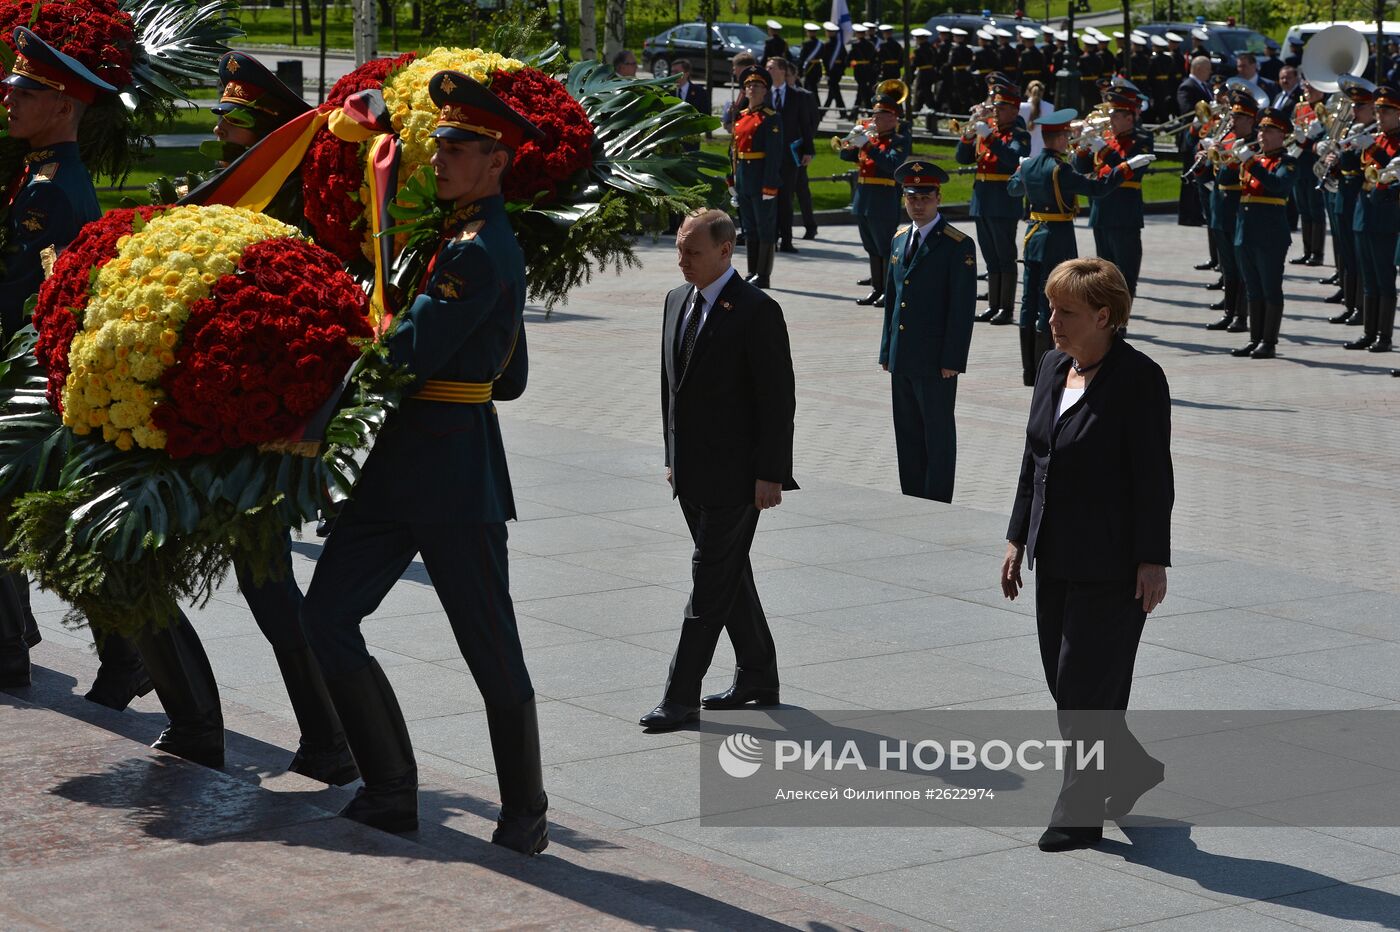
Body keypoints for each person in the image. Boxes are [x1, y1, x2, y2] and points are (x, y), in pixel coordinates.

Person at [299, 71, 548, 853]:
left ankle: (525, 812)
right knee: (325, 619)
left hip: (452, 478)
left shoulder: (479, 250)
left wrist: (320, 383)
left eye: (458, 147)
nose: (438, 159)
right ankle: (391, 787)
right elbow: (510, 374)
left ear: (497, 161)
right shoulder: (460, 241)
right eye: (438, 144)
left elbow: (405, 354)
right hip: (406, 464)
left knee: (489, 647)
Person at [1001, 256, 1173, 852]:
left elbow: (1154, 477)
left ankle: (1078, 811)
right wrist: (1017, 535)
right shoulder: (1052, 366)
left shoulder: (1139, 379)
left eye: (1066, 312)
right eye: (1050, 308)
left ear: (1104, 316)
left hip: (1114, 564)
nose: (1052, 321)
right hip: (1055, 555)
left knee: (1081, 686)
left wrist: (1153, 560)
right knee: (1065, 679)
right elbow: (1035, 460)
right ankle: (1128, 769)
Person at [642, 208, 796, 731]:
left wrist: (770, 473)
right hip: (690, 472)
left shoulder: (756, 310)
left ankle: (679, 697)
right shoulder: (675, 301)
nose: (681, 260)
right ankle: (758, 673)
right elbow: (672, 389)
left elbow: (777, 401)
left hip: (738, 476)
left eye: (693, 251)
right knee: (729, 573)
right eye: (679, 249)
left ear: (726, 251)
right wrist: (672, 456)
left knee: (708, 582)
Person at [0, 27, 115, 691]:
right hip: (33, 364)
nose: (10, 100)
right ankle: (117, 656)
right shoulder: (41, 174)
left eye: (25, 90)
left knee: (52, 521)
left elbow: (19, 293)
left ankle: (15, 647)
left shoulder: (48, 188)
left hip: (27, 369)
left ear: (64, 106)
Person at [1008, 107, 1149, 385]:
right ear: (1059, 138)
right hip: (1057, 238)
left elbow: (1013, 189)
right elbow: (1098, 188)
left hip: (1033, 236)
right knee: (1054, 302)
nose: (1068, 140)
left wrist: (1022, 169)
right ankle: (1049, 366)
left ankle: (1029, 371)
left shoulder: (1029, 165)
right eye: (1066, 135)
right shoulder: (1060, 169)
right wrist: (1126, 167)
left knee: (1028, 303)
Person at [879, 160, 976, 502]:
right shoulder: (899, 239)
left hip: (936, 360)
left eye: (925, 197)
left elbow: (962, 309)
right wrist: (887, 350)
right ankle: (911, 495)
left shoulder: (957, 244)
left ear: (938, 197)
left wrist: (952, 358)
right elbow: (893, 300)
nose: (918, 204)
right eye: (911, 197)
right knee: (906, 431)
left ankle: (937, 499)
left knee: (936, 432)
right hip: (903, 356)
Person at [955, 81, 1030, 325]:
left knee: (1005, 255)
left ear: (1015, 110)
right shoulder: (988, 130)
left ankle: (1006, 309)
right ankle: (993, 305)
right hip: (982, 199)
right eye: (995, 106)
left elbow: (1012, 159)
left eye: (1002, 107)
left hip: (1003, 201)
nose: (995, 111)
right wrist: (967, 138)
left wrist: (991, 139)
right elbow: (963, 158)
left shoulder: (1018, 135)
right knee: (989, 256)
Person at [1230, 107, 1298, 359]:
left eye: (1269, 130)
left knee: (1270, 288)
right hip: (1245, 233)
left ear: (1282, 135)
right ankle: (1255, 338)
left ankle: (1269, 341)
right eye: (1261, 129)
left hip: (1270, 236)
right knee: (1252, 288)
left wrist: (1249, 162)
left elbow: (1277, 186)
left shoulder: (1288, 163)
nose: (1262, 134)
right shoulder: (1254, 160)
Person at [1074, 87, 1154, 296]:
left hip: (1124, 215)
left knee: (1124, 277)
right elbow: (1081, 169)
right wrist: (1082, 147)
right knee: (1103, 276)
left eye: (1115, 116)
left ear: (1130, 118)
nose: (1110, 121)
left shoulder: (1142, 140)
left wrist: (1103, 149)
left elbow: (1131, 172)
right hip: (1101, 213)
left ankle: (1121, 326)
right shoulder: (1106, 139)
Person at [839, 91, 911, 305]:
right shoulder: (870, 138)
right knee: (871, 247)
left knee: (885, 248)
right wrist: (852, 141)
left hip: (883, 199)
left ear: (893, 118)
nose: (874, 120)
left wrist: (868, 146)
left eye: (879, 116)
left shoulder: (898, 140)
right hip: (863, 198)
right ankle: (876, 288)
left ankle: (888, 291)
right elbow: (845, 156)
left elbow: (891, 164)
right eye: (874, 115)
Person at [1199, 89, 1258, 334]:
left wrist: (1225, 153)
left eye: (1239, 117)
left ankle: (1241, 316)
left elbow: (1242, 175)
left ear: (1250, 120)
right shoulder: (1228, 139)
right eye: (1233, 116)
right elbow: (1211, 176)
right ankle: (1229, 310)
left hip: (1237, 208)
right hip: (1220, 207)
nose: (1232, 121)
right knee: (1227, 266)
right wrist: (1204, 159)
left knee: (1240, 266)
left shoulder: (1253, 145)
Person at [1349, 84, 1399, 353]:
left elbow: (1393, 166)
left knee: (1383, 277)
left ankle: (1385, 335)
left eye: (1385, 111)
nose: (1379, 116)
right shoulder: (1376, 137)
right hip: (1364, 212)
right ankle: (1369, 332)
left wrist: (1373, 148)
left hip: (1385, 216)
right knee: (1367, 276)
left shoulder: (1395, 140)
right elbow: (1359, 174)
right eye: (1378, 111)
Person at [731, 66, 782, 288]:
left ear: (765, 91)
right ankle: (752, 271)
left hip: (761, 178)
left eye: (757, 85)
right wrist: (732, 178)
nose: (752, 88)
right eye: (749, 85)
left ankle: (764, 274)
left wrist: (770, 185)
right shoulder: (741, 117)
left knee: (765, 227)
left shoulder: (771, 118)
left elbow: (774, 155)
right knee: (749, 227)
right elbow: (733, 150)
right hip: (744, 178)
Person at [768, 57, 816, 251]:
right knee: (768, 198)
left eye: (771, 68)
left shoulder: (797, 96)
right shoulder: (763, 94)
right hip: (767, 155)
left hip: (789, 156)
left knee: (786, 198)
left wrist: (808, 150)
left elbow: (805, 125)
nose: (768, 70)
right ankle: (770, 238)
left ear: (782, 71)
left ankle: (786, 240)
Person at [1290, 81, 1329, 270]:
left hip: (1314, 163)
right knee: (1303, 208)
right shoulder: (1300, 107)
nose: (1307, 91)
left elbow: (1326, 138)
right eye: (1306, 88)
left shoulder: (1325, 109)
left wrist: (1312, 137)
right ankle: (1306, 251)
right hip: (1299, 163)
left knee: (1315, 208)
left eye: (1311, 88)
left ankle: (1317, 253)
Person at [672, 59, 709, 153]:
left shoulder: (699, 92)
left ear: (687, 73)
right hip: (671, 145)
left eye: (676, 72)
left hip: (691, 144)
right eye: (672, 72)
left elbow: (705, 115)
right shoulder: (668, 93)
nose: (673, 75)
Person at [821, 22, 849, 120]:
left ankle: (822, 112)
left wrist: (827, 72)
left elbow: (825, 60)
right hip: (837, 71)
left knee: (834, 91)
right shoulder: (838, 44)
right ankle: (842, 112)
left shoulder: (829, 44)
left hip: (833, 72)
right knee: (834, 92)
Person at [1020, 80, 1054, 157]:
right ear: (1042, 92)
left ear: (1028, 92)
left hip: (1025, 154)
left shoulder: (1020, 108)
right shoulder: (1050, 108)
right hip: (1044, 154)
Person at [849, 24, 878, 115]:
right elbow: (875, 57)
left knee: (863, 89)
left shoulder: (855, 45)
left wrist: (851, 63)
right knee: (864, 89)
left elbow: (849, 58)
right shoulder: (871, 44)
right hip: (869, 70)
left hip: (859, 70)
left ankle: (861, 109)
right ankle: (861, 110)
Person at [798, 22, 824, 96]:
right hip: (818, 68)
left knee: (809, 88)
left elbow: (802, 59)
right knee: (813, 87)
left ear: (808, 32)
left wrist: (799, 72)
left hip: (809, 68)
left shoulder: (806, 44)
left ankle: (815, 105)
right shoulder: (821, 44)